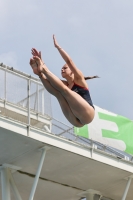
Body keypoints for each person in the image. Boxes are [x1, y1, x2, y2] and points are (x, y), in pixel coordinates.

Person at [30, 35, 98, 127]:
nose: (62, 70)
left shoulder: (79, 79)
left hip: (87, 114)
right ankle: (40, 73)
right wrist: (40, 74)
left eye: (65, 68)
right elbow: (51, 83)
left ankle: (44, 69)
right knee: (58, 94)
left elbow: (69, 61)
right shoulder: (65, 84)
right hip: (76, 121)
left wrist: (58, 47)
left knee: (64, 91)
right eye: (61, 69)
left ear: (72, 71)